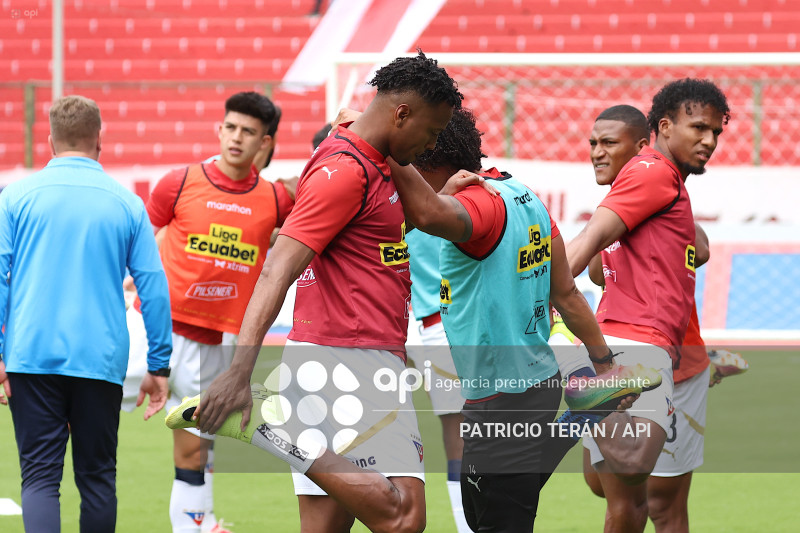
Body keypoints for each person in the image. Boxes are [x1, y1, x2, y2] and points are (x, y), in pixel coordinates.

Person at [169, 51, 464, 533]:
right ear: (401, 114)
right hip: (346, 357)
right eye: (430, 132)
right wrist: (240, 371)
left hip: (352, 355)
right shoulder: (344, 170)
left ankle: (273, 427)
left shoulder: (371, 160)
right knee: (404, 517)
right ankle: (267, 427)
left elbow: (425, 218)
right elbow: (277, 268)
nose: (430, 144)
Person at [571, 104, 749, 532]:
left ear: (641, 145)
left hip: (674, 362)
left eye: (608, 143)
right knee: (602, 482)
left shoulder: (661, 183)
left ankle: (704, 365)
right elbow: (597, 267)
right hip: (632, 351)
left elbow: (700, 250)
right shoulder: (643, 184)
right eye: (594, 143)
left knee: (654, 503)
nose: (709, 140)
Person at [0, 95, 172, 532]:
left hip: (30, 354)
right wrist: (160, 364)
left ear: (50, 141)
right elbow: (153, 286)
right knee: (97, 478)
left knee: (40, 477)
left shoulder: (15, 197)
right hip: (100, 357)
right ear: (100, 137)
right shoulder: (127, 203)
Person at [127, 91, 294, 533]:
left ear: (265, 143)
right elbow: (139, 242)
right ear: (220, 130)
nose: (237, 138)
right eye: (232, 128)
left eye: (249, 132)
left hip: (217, 343)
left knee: (194, 449)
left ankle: (197, 524)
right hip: (154, 332)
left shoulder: (276, 200)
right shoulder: (178, 182)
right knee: (90, 411)